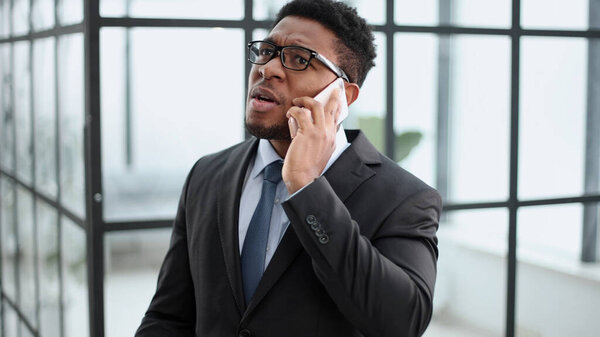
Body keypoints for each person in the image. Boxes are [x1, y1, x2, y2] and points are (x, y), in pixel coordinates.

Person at [135, 1, 441, 336]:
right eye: (267, 51)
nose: (268, 69)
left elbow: (401, 323)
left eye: (299, 59)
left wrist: (307, 187)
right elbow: (168, 316)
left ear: (342, 96)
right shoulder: (207, 174)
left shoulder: (405, 199)